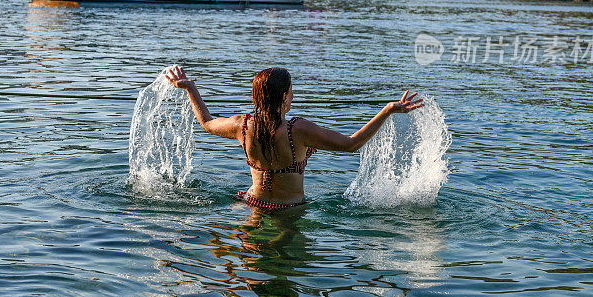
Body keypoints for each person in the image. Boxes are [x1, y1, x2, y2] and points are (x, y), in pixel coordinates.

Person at [166, 66, 423, 211]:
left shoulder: (242, 125)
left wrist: (190, 87)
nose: (293, 96)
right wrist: (387, 110)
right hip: (289, 213)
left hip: (250, 204)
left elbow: (207, 123)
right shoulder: (297, 130)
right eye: (291, 92)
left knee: (251, 263)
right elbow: (351, 144)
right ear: (284, 96)